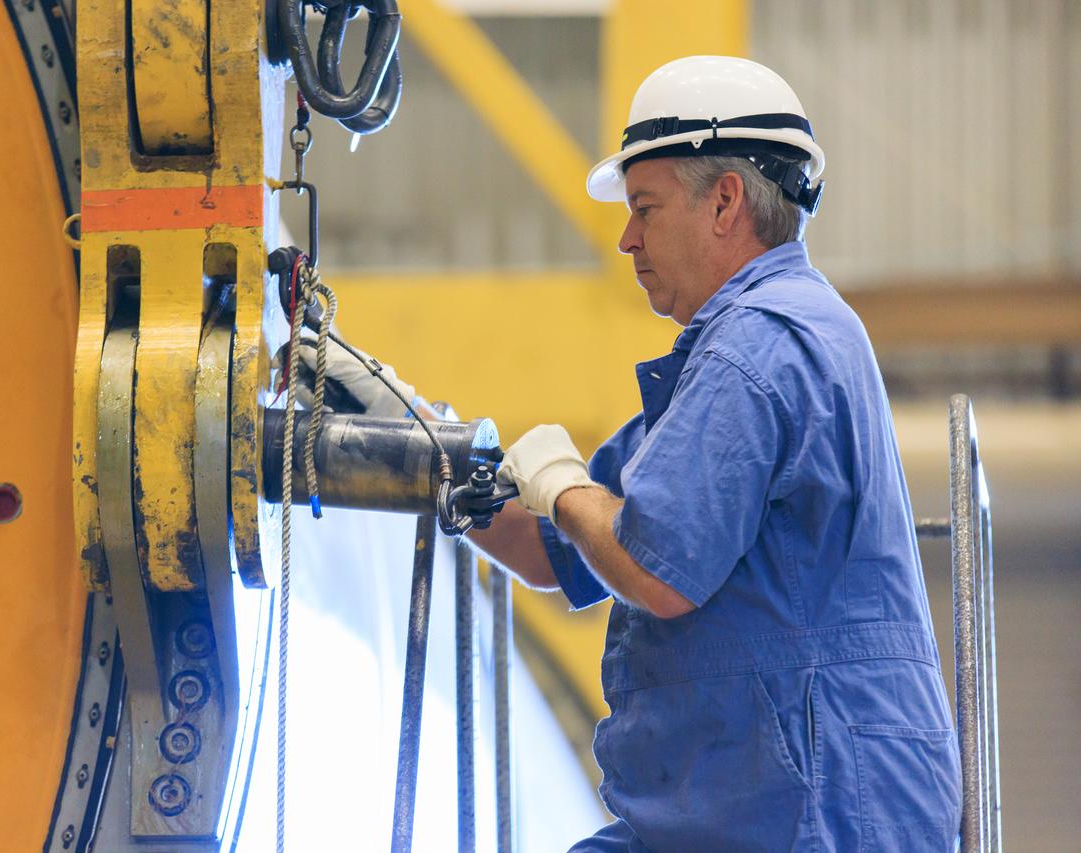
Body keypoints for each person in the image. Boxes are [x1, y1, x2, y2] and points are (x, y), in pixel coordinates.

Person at [295, 55, 962, 851]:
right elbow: (548, 549)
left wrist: (564, 487)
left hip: (811, 815)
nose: (625, 237)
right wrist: (406, 422)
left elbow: (656, 569)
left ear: (725, 201)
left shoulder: (760, 348)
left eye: (644, 208)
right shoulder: (730, 358)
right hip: (739, 808)